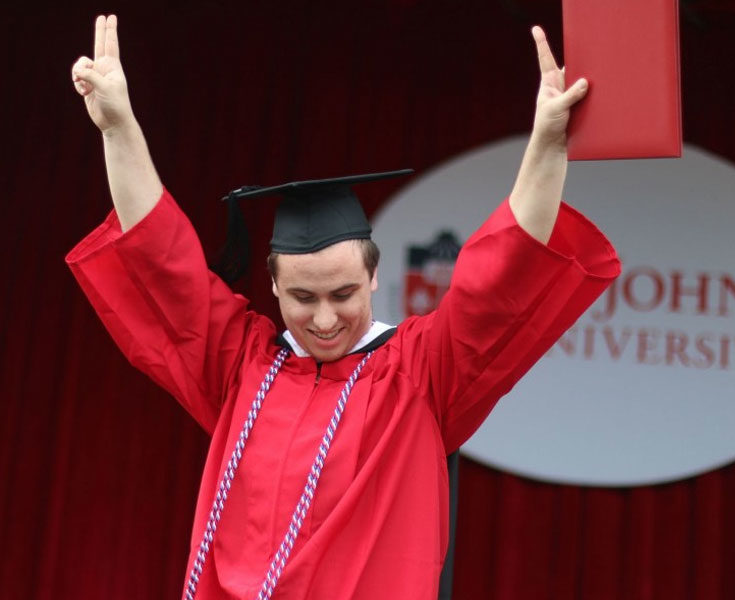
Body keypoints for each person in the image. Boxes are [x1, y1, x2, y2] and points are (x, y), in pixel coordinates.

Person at [68, 14, 620, 600]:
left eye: (344, 294)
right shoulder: (241, 367)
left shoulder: (420, 375)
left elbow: (500, 281)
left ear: (374, 277)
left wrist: (546, 146)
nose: (325, 320)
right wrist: (118, 129)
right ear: (273, 286)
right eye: (303, 298)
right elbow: (163, 264)